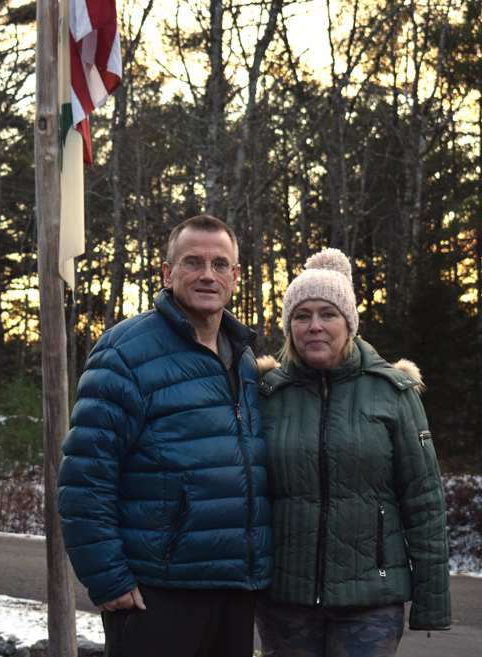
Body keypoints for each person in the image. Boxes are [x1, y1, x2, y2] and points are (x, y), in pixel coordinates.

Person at [57, 215, 273, 657]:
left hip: (235, 587)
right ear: (168, 272)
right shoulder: (125, 352)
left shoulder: (246, 360)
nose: (207, 274)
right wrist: (108, 578)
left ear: (235, 275)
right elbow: (85, 477)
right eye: (193, 262)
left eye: (220, 264)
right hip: (158, 590)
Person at [255, 248, 451, 657]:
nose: (315, 326)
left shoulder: (393, 392)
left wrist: (433, 602)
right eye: (302, 315)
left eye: (328, 313)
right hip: (285, 598)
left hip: (371, 599)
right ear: (289, 325)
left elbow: (423, 500)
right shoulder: (267, 393)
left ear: (349, 322)